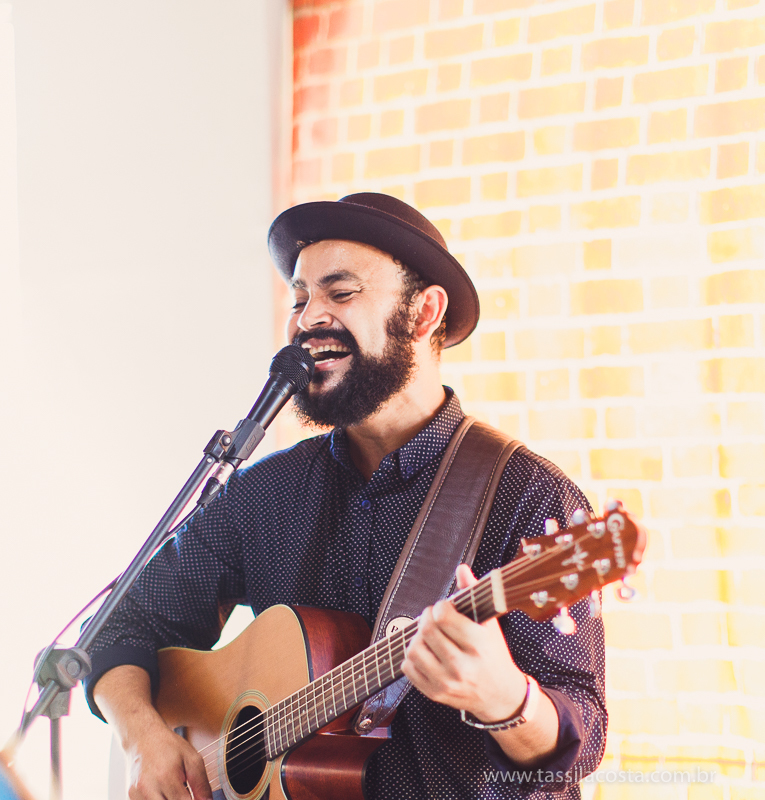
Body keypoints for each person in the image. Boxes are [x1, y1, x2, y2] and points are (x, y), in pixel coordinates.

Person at [83, 193, 606, 800]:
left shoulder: (526, 495)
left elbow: (579, 742)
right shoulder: (265, 492)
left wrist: (505, 700)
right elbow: (120, 625)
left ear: (424, 312)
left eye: (341, 292)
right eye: (300, 298)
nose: (308, 320)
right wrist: (141, 734)